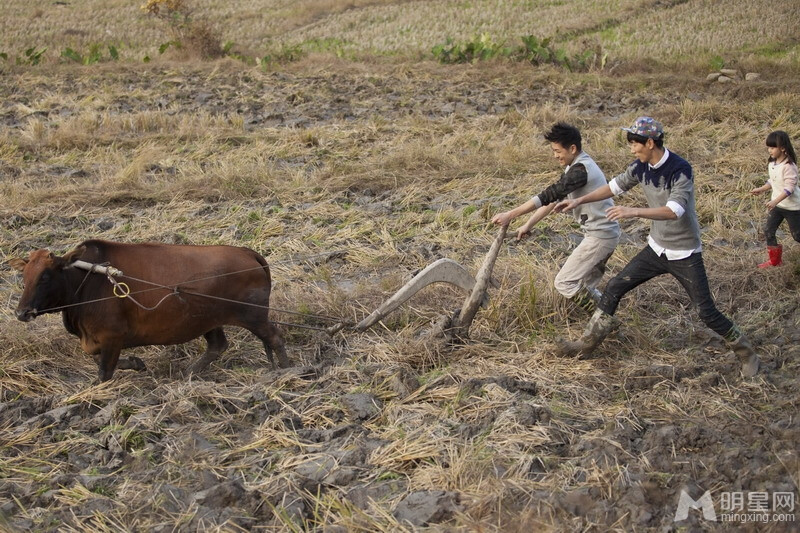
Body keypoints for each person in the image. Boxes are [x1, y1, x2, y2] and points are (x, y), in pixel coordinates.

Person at [554, 117, 759, 377]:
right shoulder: (640, 166)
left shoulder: (680, 169)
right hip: (655, 249)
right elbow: (613, 187)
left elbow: (674, 211)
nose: (631, 149)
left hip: (683, 252)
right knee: (615, 286)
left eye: (634, 144)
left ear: (650, 143)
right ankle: (587, 344)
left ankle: (746, 352)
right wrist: (579, 200)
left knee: (706, 312)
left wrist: (633, 211)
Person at [491, 122, 620, 313]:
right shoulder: (575, 167)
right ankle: (602, 318)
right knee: (585, 287)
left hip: (600, 237)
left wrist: (510, 214)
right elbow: (553, 200)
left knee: (564, 283)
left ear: (572, 148)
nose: (555, 156)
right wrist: (527, 224)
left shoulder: (581, 170)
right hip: (603, 234)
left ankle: (604, 319)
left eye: (557, 151)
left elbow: (547, 195)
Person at [749, 130, 800, 268]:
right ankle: (775, 261)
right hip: (778, 206)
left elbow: (790, 188)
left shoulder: (789, 166)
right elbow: (773, 180)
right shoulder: (773, 163)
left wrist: (775, 201)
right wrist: (762, 189)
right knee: (768, 230)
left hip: (792, 207)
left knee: (797, 235)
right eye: (768, 147)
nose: (769, 150)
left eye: (772, 147)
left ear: (782, 148)